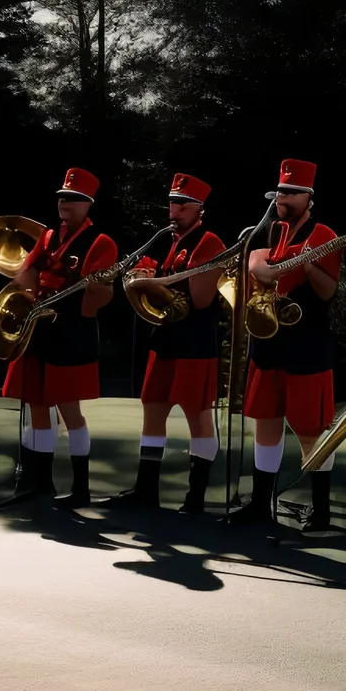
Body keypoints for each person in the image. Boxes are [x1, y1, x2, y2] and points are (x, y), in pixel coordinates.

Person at [228, 159, 344, 534]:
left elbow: (327, 292)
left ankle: (322, 510)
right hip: (269, 339)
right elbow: (258, 269)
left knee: (310, 428)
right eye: (280, 191)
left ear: (308, 197)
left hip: (308, 341)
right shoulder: (266, 231)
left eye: (291, 192)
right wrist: (295, 259)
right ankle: (262, 503)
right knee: (266, 421)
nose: (282, 197)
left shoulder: (323, 233)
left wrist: (309, 265)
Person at [100, 173, 226, 513]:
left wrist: (151, 284)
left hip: (196, 342)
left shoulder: (209, 242)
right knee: (152, 409)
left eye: (182, 204)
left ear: (199, 209)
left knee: (197, 416)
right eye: (172, 202)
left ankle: (195, 497)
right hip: (166, 339)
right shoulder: (171, 241)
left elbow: (199, 300)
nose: (175, 209)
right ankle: (146, 490)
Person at [2, 168, 118, 508]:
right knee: (38, 404)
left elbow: (93, 289)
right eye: (62, 197)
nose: (64, 202)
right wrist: (15, 299)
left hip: (71, 330)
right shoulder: (49, 235)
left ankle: (81, 487)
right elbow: (29, 272)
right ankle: (42, 482)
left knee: (70, 409)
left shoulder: (101, 242)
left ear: (88, 204)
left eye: (73, 198)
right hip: (40, 327)